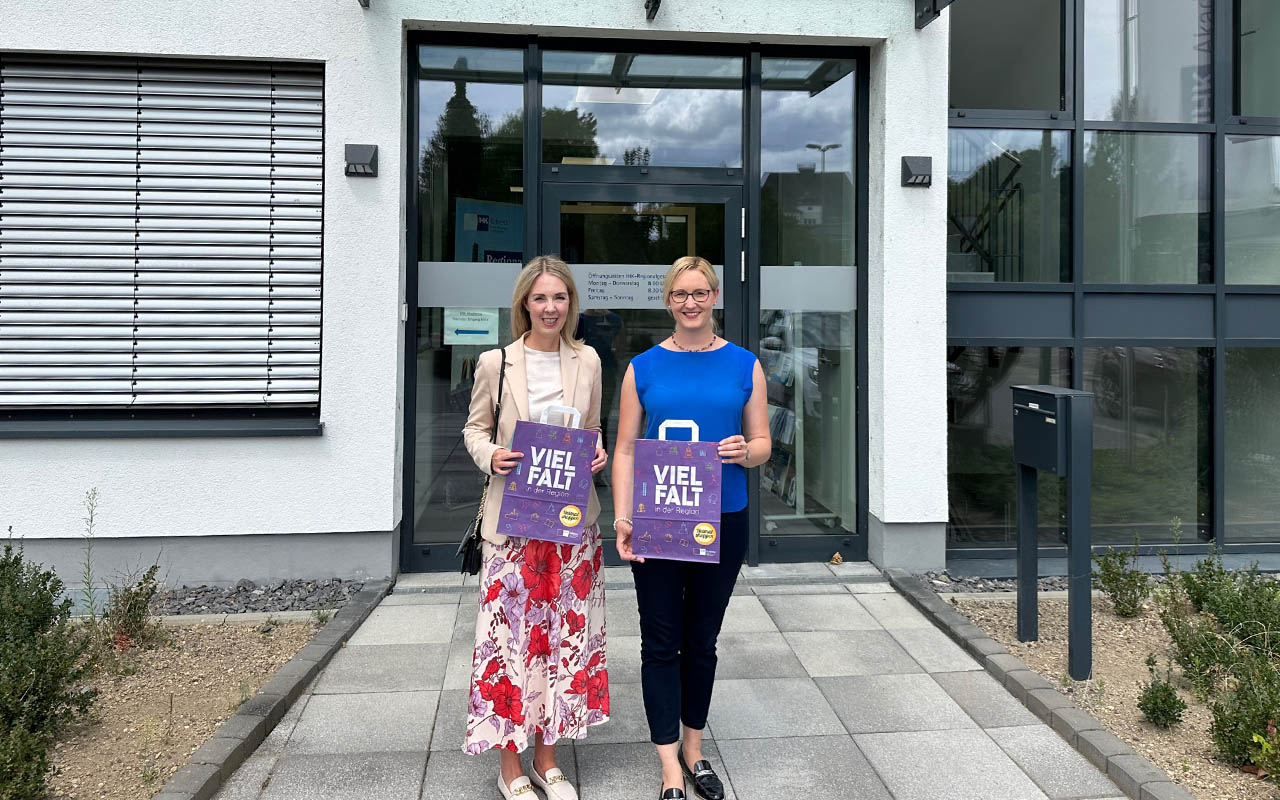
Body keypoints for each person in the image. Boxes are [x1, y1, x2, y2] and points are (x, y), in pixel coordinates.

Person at [610, 256, 771, 800]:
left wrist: (746, 452)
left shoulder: (745, 365)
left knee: (702, 640)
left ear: (715, 296)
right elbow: (626, 448)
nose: (691, 302)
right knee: (660, 641)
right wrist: (623, 515)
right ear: (668, 300)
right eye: (680, 294)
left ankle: (695, 748)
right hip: (659, 519)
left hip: (723, 516)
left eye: (700, 293)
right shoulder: (644, 367)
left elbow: (763, 443)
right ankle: (669, 766)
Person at [462, 256, 610, 800]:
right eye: (541, 298)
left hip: (571, 525)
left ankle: (548, 759)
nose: (551, 308)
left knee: (563, 644)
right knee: (509, 644)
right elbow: (475, 428)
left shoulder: (588, 360)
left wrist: (595, 451)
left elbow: (592, 428)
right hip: (515, 527)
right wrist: (492, 455)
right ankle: (510, 767)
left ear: (572, 304)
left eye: (560, 297)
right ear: (525, 302)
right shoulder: (496, 362)